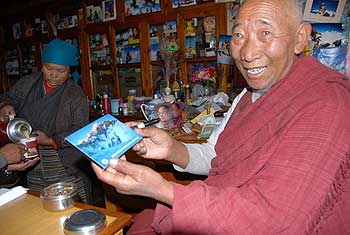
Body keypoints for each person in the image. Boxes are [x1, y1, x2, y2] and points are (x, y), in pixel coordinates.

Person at [92, 0, 350, 234]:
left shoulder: (327, 104)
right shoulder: (247, 95)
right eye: (239, 34)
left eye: (265, 33)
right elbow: (218, 156)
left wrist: (162, 190)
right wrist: (171, 149)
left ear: (299, 38)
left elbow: (275, 219)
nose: (247, 54)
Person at [0, 39, 101, 205]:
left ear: (69, 71)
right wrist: (5, 106)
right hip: (29, 158)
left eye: (60, 71)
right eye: (48, 68)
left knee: (69, 204)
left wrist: (50, 140)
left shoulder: (75, 95)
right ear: (41, 66)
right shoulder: (28, 83)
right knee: (38, 203)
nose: (53, 75)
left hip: (62, 162)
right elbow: (8, 97)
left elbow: (82, 130)